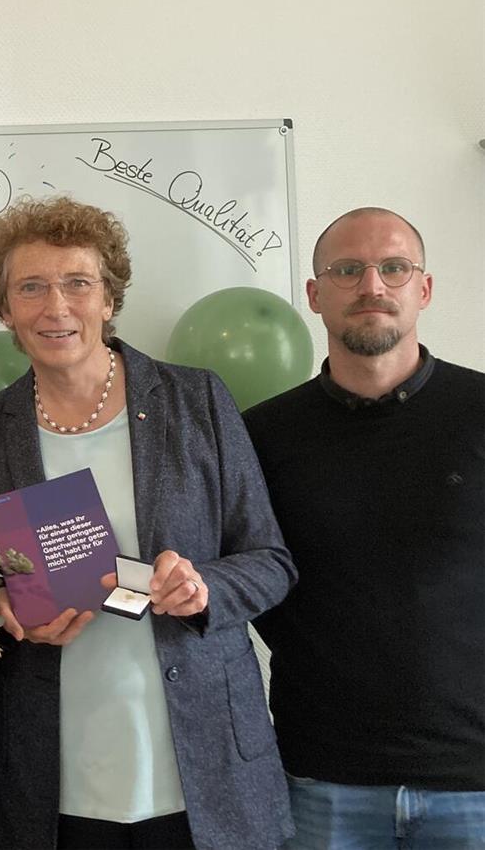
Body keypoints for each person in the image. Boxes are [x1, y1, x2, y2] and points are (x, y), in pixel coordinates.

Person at [0, 196, 296, 850]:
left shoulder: (195, 400)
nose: (56, 307)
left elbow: (271, 559)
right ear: (5, 310)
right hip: (56, 770)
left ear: (108, 299)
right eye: (31, 287)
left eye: (77, 282)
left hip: (200, 764)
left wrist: (205, 588)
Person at [244, 207, 485, 847]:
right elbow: (238, 575)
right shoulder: (261, 436)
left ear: (423, 289)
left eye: (393, 268)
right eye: (347, 270)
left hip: (475, 784)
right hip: (320, 780)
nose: (372, 286)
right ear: (316, 296)